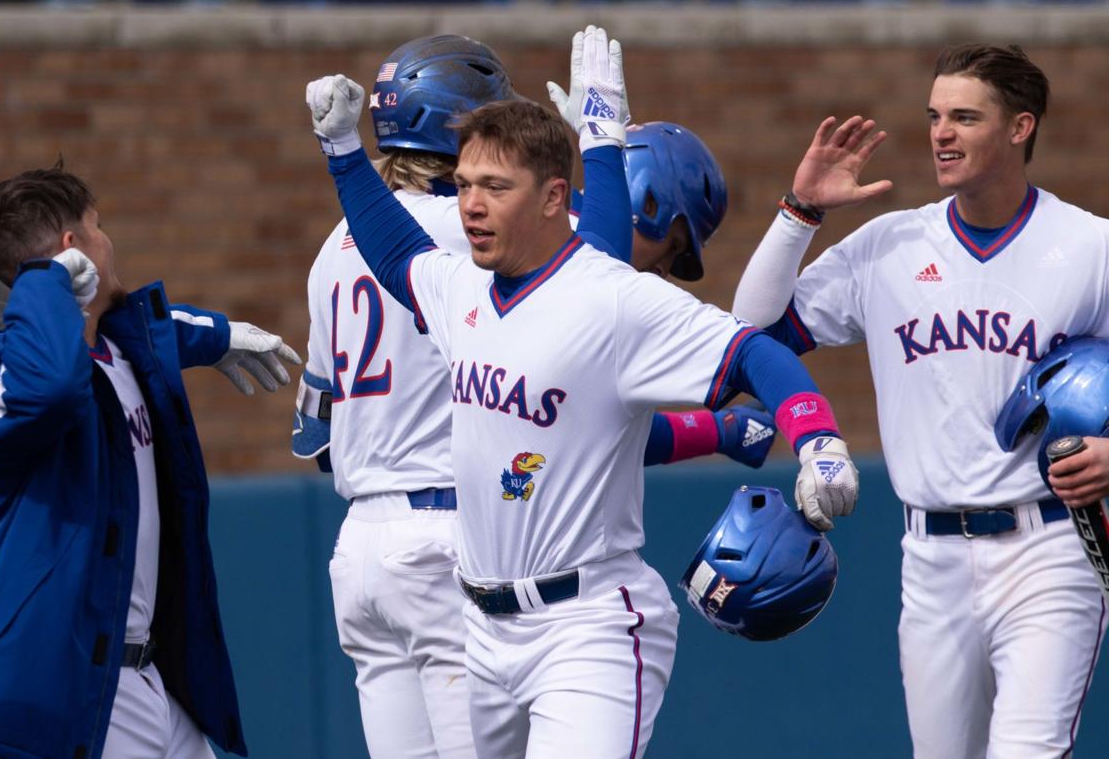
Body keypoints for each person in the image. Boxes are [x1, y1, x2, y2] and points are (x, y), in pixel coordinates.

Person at [304, 67, 859, 755]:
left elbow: (754, 354)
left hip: (586, 623)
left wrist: (818, 437)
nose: (472, 205)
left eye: (495, 188)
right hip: (481, 628)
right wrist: (342, 153)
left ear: (553, 198)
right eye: (467, 184)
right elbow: (393, 254)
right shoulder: (461, 289)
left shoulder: (614, 298)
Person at [731, 43, 1109, 758]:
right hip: (929, 554)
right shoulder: (890, 246)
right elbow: (749, 336)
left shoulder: (1089, 246)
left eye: (965, 116)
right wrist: (799, 211)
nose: (941, 133)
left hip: (1048, 547)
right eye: (935, 116)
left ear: (1021, 127)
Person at [0, 164, 300, 759]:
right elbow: (47, 389)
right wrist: (47, 286)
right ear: (73, 249)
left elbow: (149, 328)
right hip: (56, 691)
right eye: (98, 228)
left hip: (146, 675)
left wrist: (217, 333)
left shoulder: (110, 344)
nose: (111, 242)